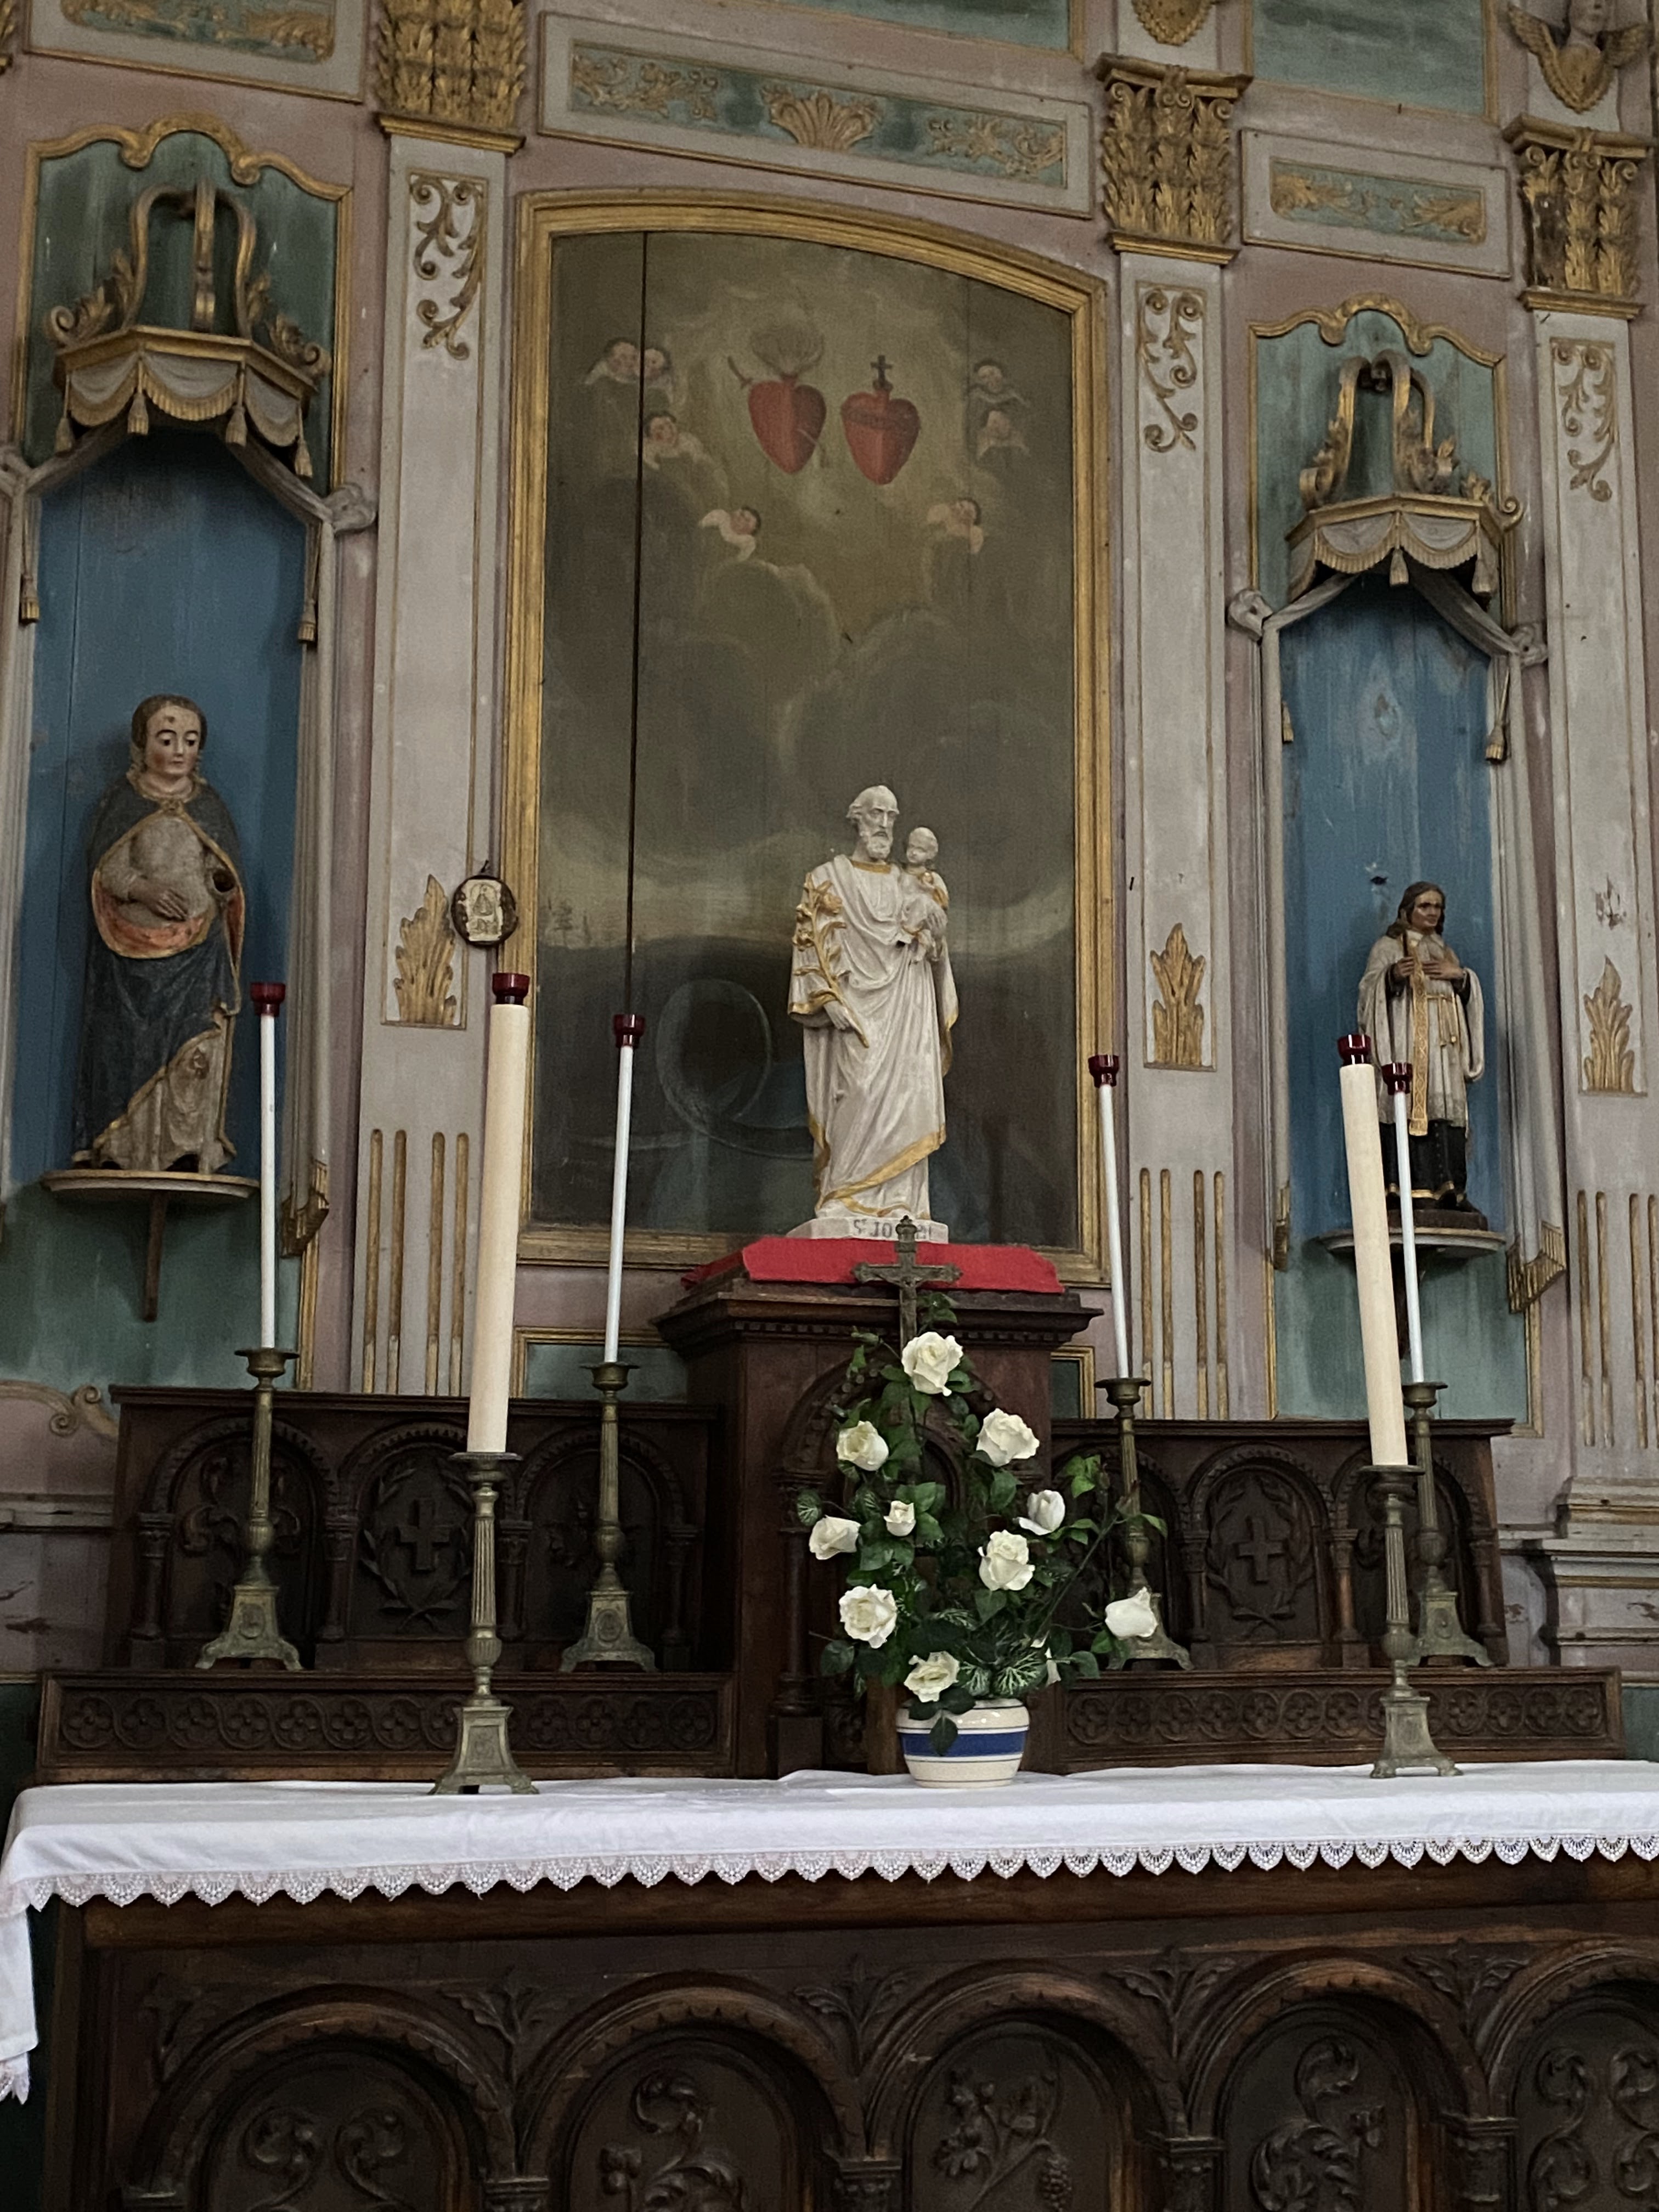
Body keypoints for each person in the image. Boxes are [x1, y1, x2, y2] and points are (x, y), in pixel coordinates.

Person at [72, 693, 245, 1173]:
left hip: (198, 950)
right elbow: (107, 869)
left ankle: (184, 1147)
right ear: (141, 745)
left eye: (189, 741)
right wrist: (143, 890)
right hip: (129, 954)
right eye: (166, 740)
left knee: (194, 1049)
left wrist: (222, 882)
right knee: (128, 1047)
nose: (178, 751)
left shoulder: (208, 807)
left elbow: (219, 868)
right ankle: (124, 1148)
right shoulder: (123, 803)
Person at [789, 787, 957, 1233]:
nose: (883, 824)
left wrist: (935, 939)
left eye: (891, 816)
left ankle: (902, 1202)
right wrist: (827, 1001)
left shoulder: (910, 884)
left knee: (909, 1097)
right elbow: (809, 948)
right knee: (857, 1090)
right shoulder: (827, 879)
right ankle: (844, 1194)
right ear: (856, 819)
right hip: (855, 1014)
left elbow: (935, 948)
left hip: (907, 1012)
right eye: (875, 814)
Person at [1357, 881, 1485, 1217]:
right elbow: (1368, 993)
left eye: (1437, 907)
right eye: (1425, 906)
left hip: (1444, 1049)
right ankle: (1411, 1189)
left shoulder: (1446, 951)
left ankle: (1452, 1190)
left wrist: (1462, 977)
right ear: (1407, 910)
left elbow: (1464, 996)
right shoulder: (1388, 947)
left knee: (1446, 1111)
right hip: (1408, 1044)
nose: (1432, 912)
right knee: (1414, 1106)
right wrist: (1392, 976)